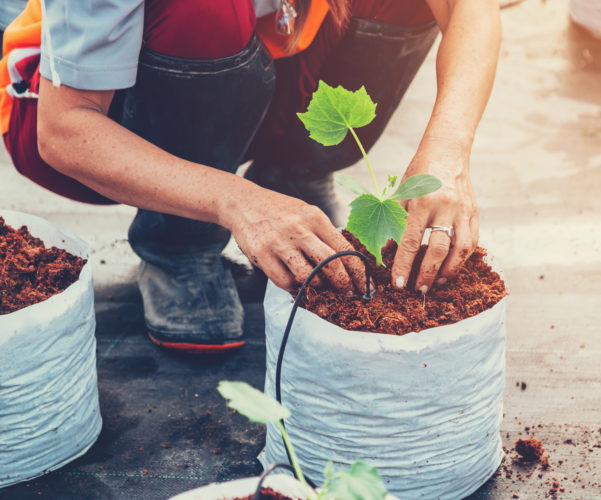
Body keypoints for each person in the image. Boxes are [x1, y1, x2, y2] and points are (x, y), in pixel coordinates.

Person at [0, 0, 502, 352]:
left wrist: (447, 152)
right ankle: (178, 239)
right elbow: (64, 131)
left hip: (261, 68)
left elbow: (470, 8)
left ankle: (294, 174)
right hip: (88, 114)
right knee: (207, 7)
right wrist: (234, 200)